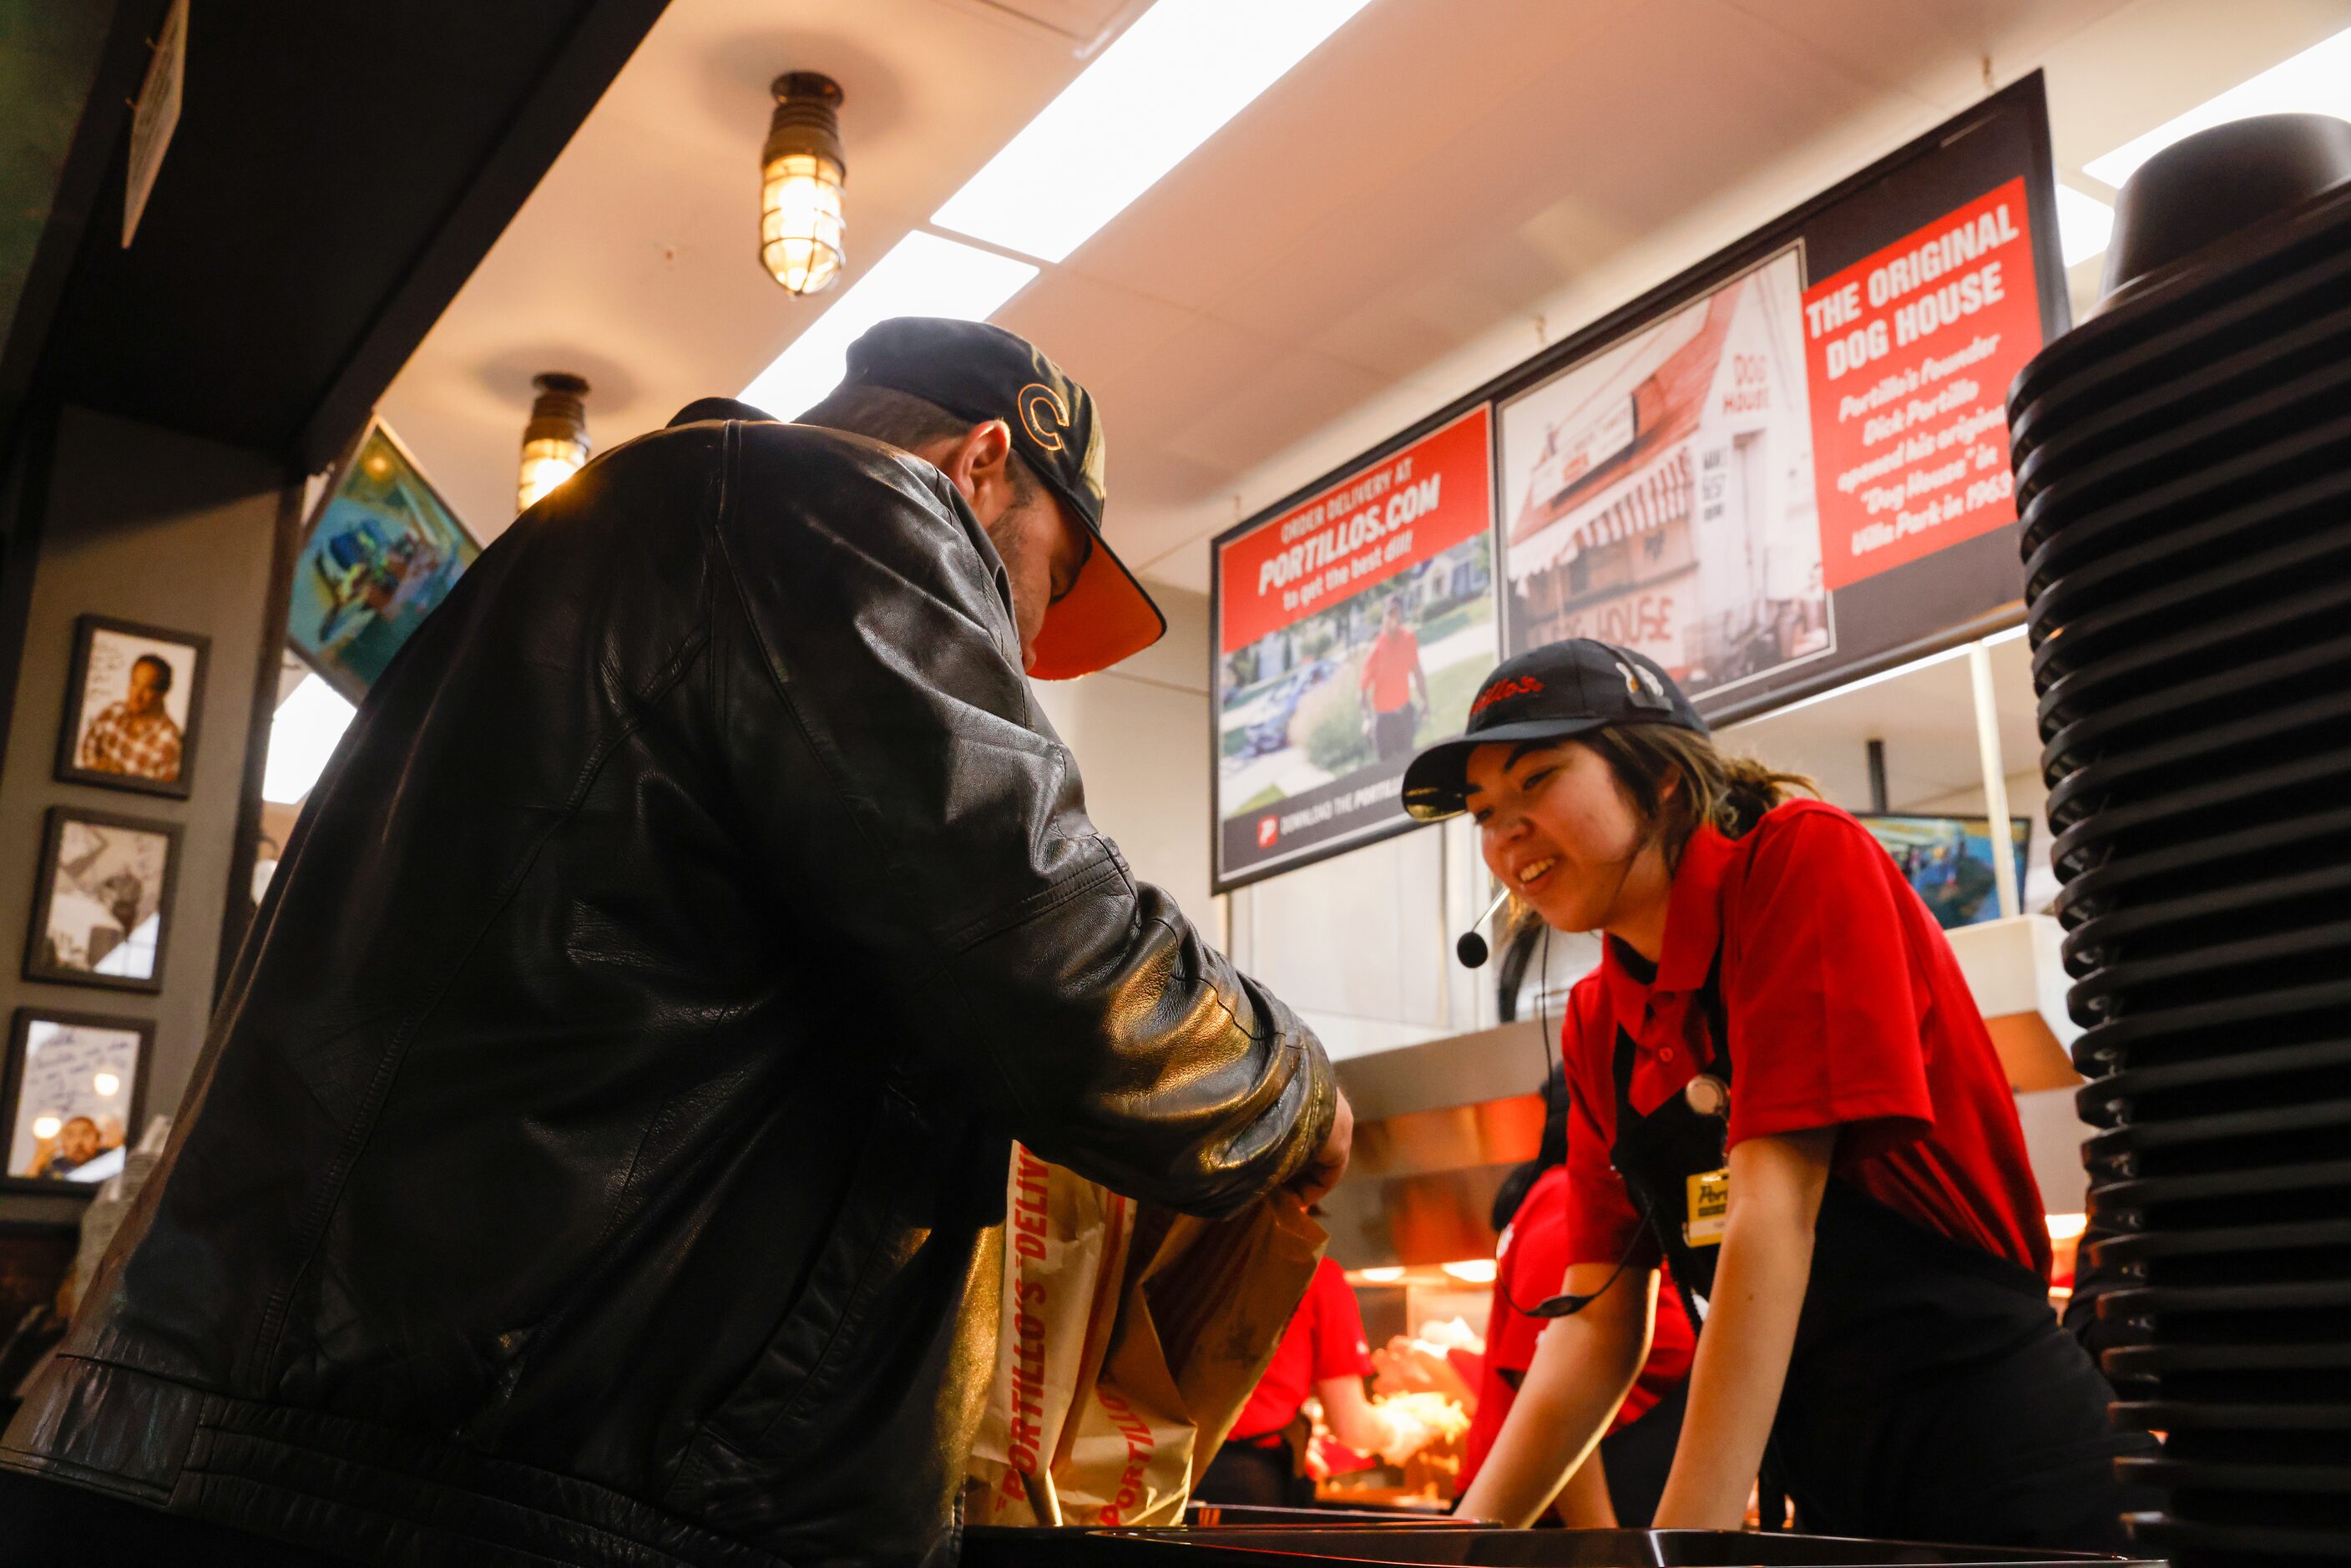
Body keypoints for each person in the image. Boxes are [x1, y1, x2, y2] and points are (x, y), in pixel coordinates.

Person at [0, 317, 1350, 1568]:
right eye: (1048, 582)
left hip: (272, 1457)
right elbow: (1057, 965)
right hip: (458, 1498)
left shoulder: (608, 557)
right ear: (986, 460)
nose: (1031, 647)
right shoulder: (840, 509)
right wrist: (1296, 1091)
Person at [1408, 639, 2151, 1552]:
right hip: (1826, 1489)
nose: (1503, 832)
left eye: (1538, 780)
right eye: (1483, 811)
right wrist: (1459, 1548)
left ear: (1664, 780)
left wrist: (1683, 1547)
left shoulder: (1800, 860)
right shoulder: (1599, 1018)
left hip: (1997, 1457)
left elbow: (1771, 1212)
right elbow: (1594, 1334)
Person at [1461, 1067, 1692, 1528]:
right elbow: (1548, 1373)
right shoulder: (1570, 1202)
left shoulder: (1593, 1204)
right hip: (1549, 1526)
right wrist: (1601, 1544)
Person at [1195, 1254, 1403, 1510]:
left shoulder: (1187, 1252)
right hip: (1245, 1481)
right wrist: (1399, 1432)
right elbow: (1351, 1427)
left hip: (1156, 1464)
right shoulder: (1311, 1270)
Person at [76, 652, 183, 781]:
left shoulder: (170, 744)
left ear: (162, 693)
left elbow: (161, 798)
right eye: (134, 683)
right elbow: (88, 747)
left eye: (148, 688)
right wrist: (97, 768)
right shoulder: (113, 712)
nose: (136, 695)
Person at [1358, 596, 1428, 761]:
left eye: (1396, 613)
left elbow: (1417, 672)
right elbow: (1361, 690)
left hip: (1404, 714)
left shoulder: (1408, 638)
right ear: (1384, 617)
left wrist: (1425, 702)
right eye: (1389, 613)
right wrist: (1366, 719)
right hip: (1384, 721)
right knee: (1388, 770)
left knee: (1409, 763)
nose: (1393, 618)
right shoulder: (1376, 650)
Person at [35, 1117, 103, 1179]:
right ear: (62, 1142)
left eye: (86, 1135)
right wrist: (39, 1157)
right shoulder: (53, 1168)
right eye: (70, 1135)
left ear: (98, 1139)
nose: (78, 1142)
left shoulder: (108, 1162)